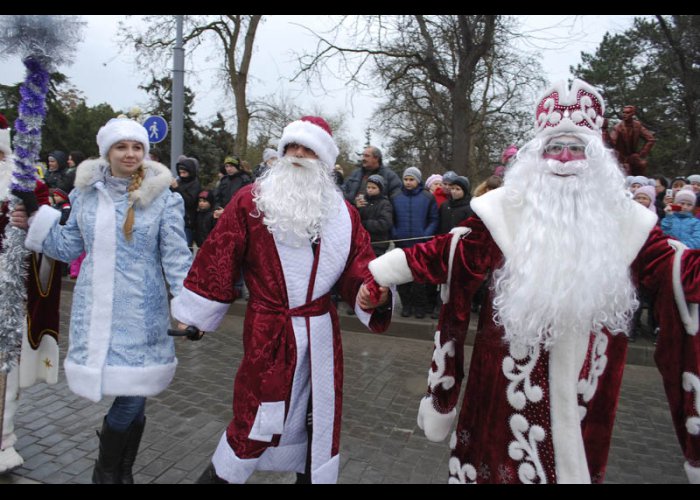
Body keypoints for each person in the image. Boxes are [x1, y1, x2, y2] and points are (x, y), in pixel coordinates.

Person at [364, 79, 700, 483]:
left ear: (594, 159)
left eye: (576, 148)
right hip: (504, 383)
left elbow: (676, 270)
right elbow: (453, 253)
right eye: (554, 148)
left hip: (585, 391)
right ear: (537, 157)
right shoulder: (506, 210)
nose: (564, 159)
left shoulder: (626, 221)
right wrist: (384, 271)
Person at [170, 115, 391, 484]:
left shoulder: (344, 216)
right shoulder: (251, 202)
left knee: (315, 422)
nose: (298, 155)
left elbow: (359, 265)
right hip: (269, 331)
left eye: (309, 149)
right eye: (292, 147)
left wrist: (372, 292)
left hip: (321, 334)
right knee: (255, 420)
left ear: (323, 162)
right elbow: (219, 255)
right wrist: (198, 314)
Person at [10, 117, 192, 483]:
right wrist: (35, 221)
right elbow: (68, 247)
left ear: (145, 152)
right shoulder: (84, 194)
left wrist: (187, 307)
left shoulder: (164, 198)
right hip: (95, 307)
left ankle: (108, 471)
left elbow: (176, 257)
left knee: (134, 393)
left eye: (136, 147)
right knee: (131, 395)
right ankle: (118, 471)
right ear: (107, 151)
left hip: (143, 308)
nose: (129, 154)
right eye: (121, 147)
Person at [0, 116, 62, 474]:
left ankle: (4, 438)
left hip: (8, 293)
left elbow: (50, 235)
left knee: (4, 368)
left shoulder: (29, 186)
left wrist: (34, 217)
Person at [391, 166, 439, 319]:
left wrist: (426, 235)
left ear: (418, 181)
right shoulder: (396, 196)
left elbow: (433, 219)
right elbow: (391, 219)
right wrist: (395, 234)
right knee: (402, 277)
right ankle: (406, 305)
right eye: (406, 179)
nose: (408, 182)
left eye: (411, 179)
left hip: (421, 245)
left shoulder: (427, 197)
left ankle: (420, 306)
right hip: (402, 244)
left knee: (419, 278)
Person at [610, 104, 656, 176]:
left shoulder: (637, 125)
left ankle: (639, 184)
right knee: (626, 169)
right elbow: (612, 142)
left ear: (633, 114)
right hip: (620, 157)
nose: (625, 114)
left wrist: (641, 154)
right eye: (623, 112)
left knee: (642, 164)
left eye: (627, 113)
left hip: (632, 157)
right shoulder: (617, 127)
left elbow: (651, 139)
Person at [358, 174, 394, 258]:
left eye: (373, 188)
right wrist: (357, 208)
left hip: (378, 245)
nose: (370, 190)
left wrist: (365, 224)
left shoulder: (385, 204)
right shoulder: (362, 201)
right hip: (362, 243)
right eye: (368, 187)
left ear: (380, 189)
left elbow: (385, 223)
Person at [170, 155, 202, 250]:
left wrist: (176, 188)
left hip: (187, 222)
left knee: (185, 249)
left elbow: (189, 201)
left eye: (184, 173)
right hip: (175, 218)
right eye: (180, 173)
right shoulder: (179, 181)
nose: (182, 175)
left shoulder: (195, 183)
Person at [213, 155, 253, 219]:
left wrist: (226, 211)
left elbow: (244, 201)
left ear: (237, 167)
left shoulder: (245, 180)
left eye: (231, 166)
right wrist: (217, 209)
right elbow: (217, 196)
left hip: (237, 216)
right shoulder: (224, 180)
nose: (228, 169)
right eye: (226, 166)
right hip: (221, 215)